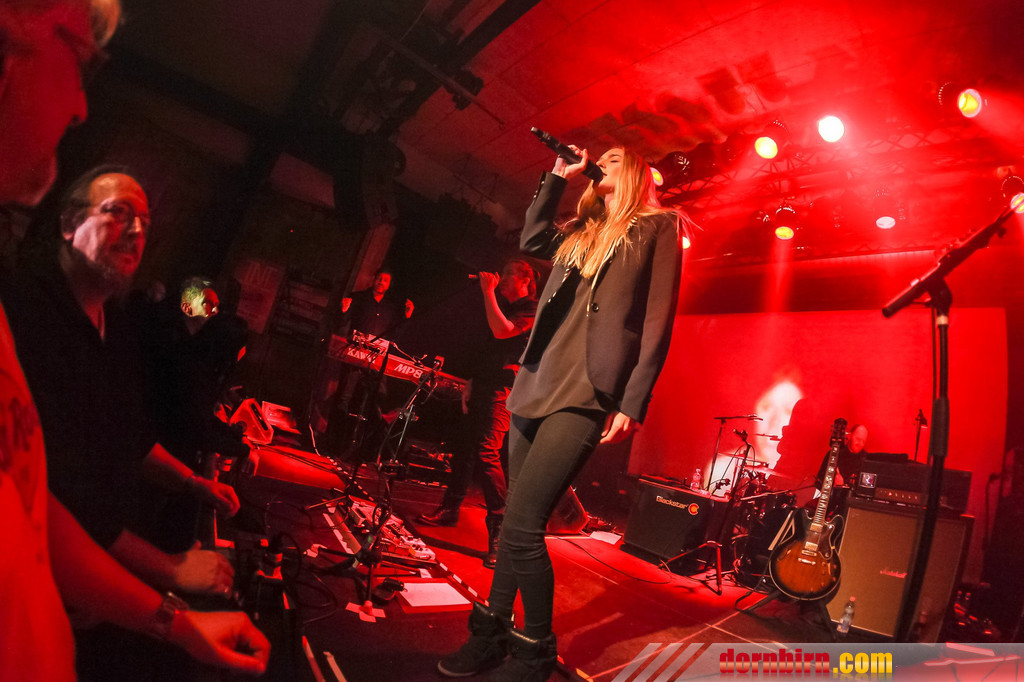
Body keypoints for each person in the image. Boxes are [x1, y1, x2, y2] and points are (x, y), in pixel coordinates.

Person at [0, 0, 268, 678]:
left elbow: (31, 494)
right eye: (81, 61)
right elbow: (64, 490)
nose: (80, 108)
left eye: (145, 223)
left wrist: (194, 487)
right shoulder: (27, 306)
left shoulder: (115, 324)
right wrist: (170, 576)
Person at [437, 145, 688, 680]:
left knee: (523, 525)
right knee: (513, 523)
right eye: (602, 158)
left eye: (614, 158)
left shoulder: (657, 227)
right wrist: (556, 176)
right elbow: (531, 239)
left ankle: (535, 650)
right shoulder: (579, 233)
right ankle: (490, 635)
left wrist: (634, 400)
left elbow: (658, 321)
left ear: (635, 172)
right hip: (535, 383)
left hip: (587, 390)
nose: (603, 162)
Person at [417, 259, 537, 569]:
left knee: (487, 452)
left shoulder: (531, 309)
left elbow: (503, 332)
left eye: (508, 273)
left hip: (504, 391)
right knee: (463, 450)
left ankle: (500, 531)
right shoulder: (503, 307)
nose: (502, 277)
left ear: (525, 280)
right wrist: (470, 383)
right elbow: (487, 350)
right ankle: (450, 509)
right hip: (483, 384)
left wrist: (488, 292)